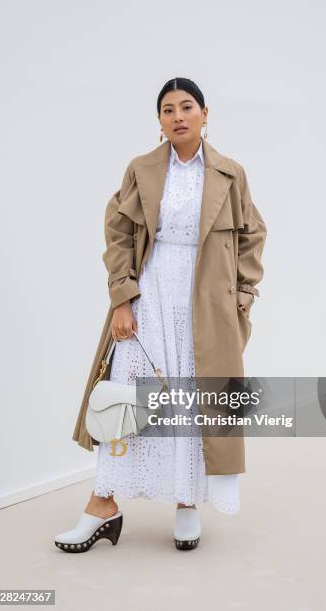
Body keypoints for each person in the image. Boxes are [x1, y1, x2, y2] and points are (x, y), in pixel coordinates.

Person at [55, 77, 267, 553]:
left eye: (186, 107)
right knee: (129, 399)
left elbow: (253, 234)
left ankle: (187, 502)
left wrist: (244, 294)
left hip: (206, 302)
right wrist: (122, 298)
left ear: (205, 114)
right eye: (168, 110)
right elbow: (119, 235)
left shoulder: (230, 173)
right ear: (159, 122)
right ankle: (102, 503)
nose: (178, 116)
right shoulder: (141, 169)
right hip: (150, 293)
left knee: (193, 397)